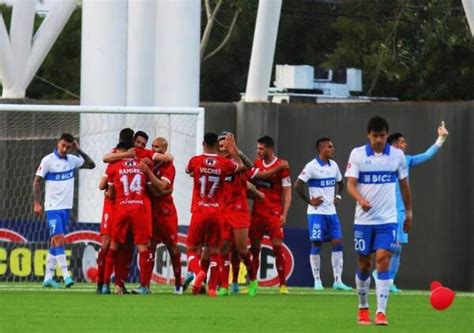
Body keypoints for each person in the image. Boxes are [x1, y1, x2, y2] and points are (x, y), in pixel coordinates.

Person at [345, 116, 412, 326]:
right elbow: (350, 185)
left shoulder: (397, 156)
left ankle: (381, 312)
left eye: (382, 136)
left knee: (383, 260)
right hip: (364, 221)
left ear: (386, 135)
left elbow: (404, 185)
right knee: (364, 264)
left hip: (388, 219)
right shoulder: (357, 154)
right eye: (375, 136)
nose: (378, 140)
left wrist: (409, 213)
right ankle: (363, 307)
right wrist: (360, 200)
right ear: (368, 135)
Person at [379, 121, 449, 293]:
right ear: (394, 145)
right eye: (403, 142)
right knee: (392, 246)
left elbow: (426, 155)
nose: (406, 144)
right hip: (387, 209)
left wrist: (441, 138)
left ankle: (389, 282)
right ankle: (379, 273)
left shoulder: (407, 160)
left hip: (401, 210)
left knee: (398, 248)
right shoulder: (383, 161)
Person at [102, 141, 166, 295]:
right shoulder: (142, 165)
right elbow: (154, 188)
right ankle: (144, 286)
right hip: (139, 209)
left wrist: (106, 193)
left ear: (120, 150)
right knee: (143, 247)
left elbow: (110, 193)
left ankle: (106, 286)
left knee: (114, 246)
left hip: (121, 209)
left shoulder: (113, 166)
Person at [185, 132, 244, 297]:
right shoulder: (224, 163)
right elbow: (241, 168)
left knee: (191, 249)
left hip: (199, 211)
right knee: (215, 252)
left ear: (203, 143)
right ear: (218, 146)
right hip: (217, 213)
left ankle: (199, 273)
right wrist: (234, 153)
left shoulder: (195, 161)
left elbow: (188, 171)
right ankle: (212, 289)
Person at [33, 133, 95, 288]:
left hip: (66, 208)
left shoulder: (72, 161)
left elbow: (91, 164)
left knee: (55, 242)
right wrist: (37, 203)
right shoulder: (48, 160)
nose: (65, 149)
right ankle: (66, 275)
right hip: (52, 208)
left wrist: (79, 150)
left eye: (68, 147)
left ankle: (48, 277)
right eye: (63, 146)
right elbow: (37, 181)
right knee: (59, 238)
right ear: (57, 143)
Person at [294, 138, 352, 291]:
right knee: (316, 244)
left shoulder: (334, 166)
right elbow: (298, 185)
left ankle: (338, 280)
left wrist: (338, 196)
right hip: (316, 213)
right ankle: (317, 280)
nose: (333, 149)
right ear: (321, 149)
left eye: (332, 146)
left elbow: (341, 183)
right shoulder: (311, 166)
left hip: (331, 213)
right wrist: (309, 201)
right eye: (329, 147)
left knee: (337, 242)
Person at [216, 131, 261, 297]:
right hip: (224, 211)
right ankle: (223, 286)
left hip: (240, 211)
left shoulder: (239, 162)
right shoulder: (220, 164)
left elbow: (249, 167)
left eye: (226, 145)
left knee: (242, 250)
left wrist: (235, 150)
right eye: (221, 146)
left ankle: (254, 280)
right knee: (224, 249)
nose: (224, 148)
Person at [249, 135, 292, 294]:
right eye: (257, 148)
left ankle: (282, 284)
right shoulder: (257, 164)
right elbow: (252, 184)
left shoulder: (283, 166)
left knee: (277, 247)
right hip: (257, 213)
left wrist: (284, 214)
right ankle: (253, 283)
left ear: (270, 149)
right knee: (254, 248)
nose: (258, 151)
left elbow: (287, 193)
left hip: (274, 213)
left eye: (261, 149)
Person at [142, 137, 183, 295]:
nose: (154, 149)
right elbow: (159, 190)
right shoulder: (149, 162)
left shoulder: (168, 167)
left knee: (173, 248)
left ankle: (178, 284)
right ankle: (145, 286)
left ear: (164, 150)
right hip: (151, 213)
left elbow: (162, 187)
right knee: (149, 248)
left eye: (157, 147)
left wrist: (149, 177)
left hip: (166, 213)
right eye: (152, 146)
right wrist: (157, 188)